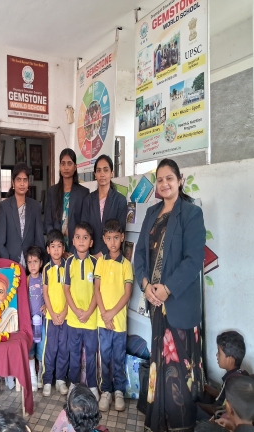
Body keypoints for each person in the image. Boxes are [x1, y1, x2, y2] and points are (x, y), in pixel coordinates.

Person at [134, 158, 206, 432]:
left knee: (180, 367)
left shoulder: (191, 213)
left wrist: (167, 288)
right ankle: (158, 421)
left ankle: (180, 424)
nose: (164, 184)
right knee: (160, 363)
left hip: (179, 303)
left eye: (169, 178)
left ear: (180, 180)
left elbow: (194, 259)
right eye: (160, 179)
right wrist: (145, 284)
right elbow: (140, 254)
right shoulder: (152, 213)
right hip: (155, 303)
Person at [94, 219, 133, 412]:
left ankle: (119, 391)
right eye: (109, 238)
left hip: (119, 323)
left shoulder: (126, 264)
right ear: (104, 239)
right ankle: (106, 391)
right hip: (103, 322)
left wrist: (111, 314)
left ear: (122, 237)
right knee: (105, 357)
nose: (113, 242)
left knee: (118, 357)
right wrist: (104, 314)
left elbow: (127, 294)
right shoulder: (100, 262)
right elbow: (96, 289)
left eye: (116, 237)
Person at [63, 222, 98, 401]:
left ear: (91, 242)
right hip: (73, 318)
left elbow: (98, 291)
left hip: (91, 319)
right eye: (78, 237)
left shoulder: (96, 263)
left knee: (91, 353)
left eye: (85, 237)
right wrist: (76, 310)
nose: (81, 241)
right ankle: (74, 384)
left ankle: (92, 385)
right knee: (74, 353)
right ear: (73, 241)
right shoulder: (69, 262)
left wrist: (89, 311)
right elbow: (66, 289)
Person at [0, 162, 45, 268]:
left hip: (32, 266)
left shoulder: (35, 206)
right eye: (18, 179)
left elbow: (39, 240)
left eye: (25, 180)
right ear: (13, 183)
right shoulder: (4, 207)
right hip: (10, 264)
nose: (22, 184)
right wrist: (8, 265)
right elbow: (0, 243)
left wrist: (37, 264)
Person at [44, 149, 89, 256]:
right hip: (56, 251)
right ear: (59, 166)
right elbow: (47, 223)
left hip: (77, 249)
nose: (66, 167)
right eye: (63, 164)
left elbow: (85, 223)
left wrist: (76, 249)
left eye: (69, 163)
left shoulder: (83, 193)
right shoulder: (52, 192)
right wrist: (58, 247)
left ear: (75, 167)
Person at [81, 154, 127, 258]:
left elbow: (120, 232)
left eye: (106, 170)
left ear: (112, 173)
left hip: (112, 257)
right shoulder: (88, 200)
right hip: (90, 255)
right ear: (95, 174)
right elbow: (84, 229)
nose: (102, 174)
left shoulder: (120, 200)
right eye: (99, 170)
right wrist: (88, 254)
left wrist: (102, 253)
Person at [197, 331, 248, 419]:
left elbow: (217, 409)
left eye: (219, 353)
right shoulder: (239, 373)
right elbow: (222, 396)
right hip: (225, 409)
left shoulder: (230, 381)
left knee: (193, 409)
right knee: (211, 389)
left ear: (230, 360)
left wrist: (198, 405)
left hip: (222, 416)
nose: (217, 355)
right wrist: (207, 387)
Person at [42, 230, 69, 397]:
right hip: (51, 318)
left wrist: (64, 312)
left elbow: (70, 292)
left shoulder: (68, 266)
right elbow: (45, 293)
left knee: (64, 349)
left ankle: (60, 379)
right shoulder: (46, 269)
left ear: (63, 249)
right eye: (53, 246)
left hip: (66, 317)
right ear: (48, 249)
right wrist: (52, 313)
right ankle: (47, 380)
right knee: (50, 349)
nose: (56, 250)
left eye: (59, 246)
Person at [26, 246, 46, 391]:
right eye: (29, 262)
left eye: (35, 261)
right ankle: (32, 375)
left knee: (42, 347)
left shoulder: (44, 278)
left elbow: (48, 295)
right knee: (30, 347)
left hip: (42, 320)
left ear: (41, 263)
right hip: (30, 321)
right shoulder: (27, 280)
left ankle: (40, 375)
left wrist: (46, 306)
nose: (32, 265)